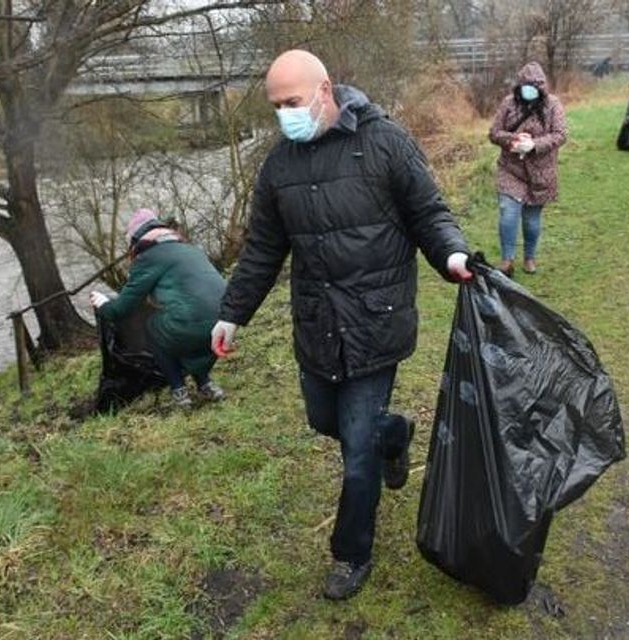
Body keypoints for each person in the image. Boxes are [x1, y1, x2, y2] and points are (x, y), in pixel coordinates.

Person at [209, 50, 472, 600]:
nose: (285, 114)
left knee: (356, 456)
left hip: (377, 325)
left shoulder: (384, 143)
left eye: (293, 101)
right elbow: (261, 249)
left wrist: (452, 256)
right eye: (276, 106)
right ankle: (394, 435)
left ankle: (352, 554)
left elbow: (429, 213)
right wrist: (232, 313)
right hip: (317, 328)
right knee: (324, 421)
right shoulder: (278, 167)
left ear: (325, 90)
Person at [90, 209, 227, 409]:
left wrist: (102, 302)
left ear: (136, 240)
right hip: (225, 324)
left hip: (198, 327)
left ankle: (179, 391)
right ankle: (205, 384)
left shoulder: (148, 257)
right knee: (188, 319)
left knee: (154, 327)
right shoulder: (191, 249)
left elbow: (119, 310)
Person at [487, 62, 568, 277]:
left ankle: (529, 257)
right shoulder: (508, 104)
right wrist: (513, 139)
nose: (530, 90)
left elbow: (561, 134)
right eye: (526, 85)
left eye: (534, 86)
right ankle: (507, 260)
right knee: (508, 211)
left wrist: (535, 145)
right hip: (511, 169)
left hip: (541, 173)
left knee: (531, 220)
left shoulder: (553, 105)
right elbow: (494, 133)